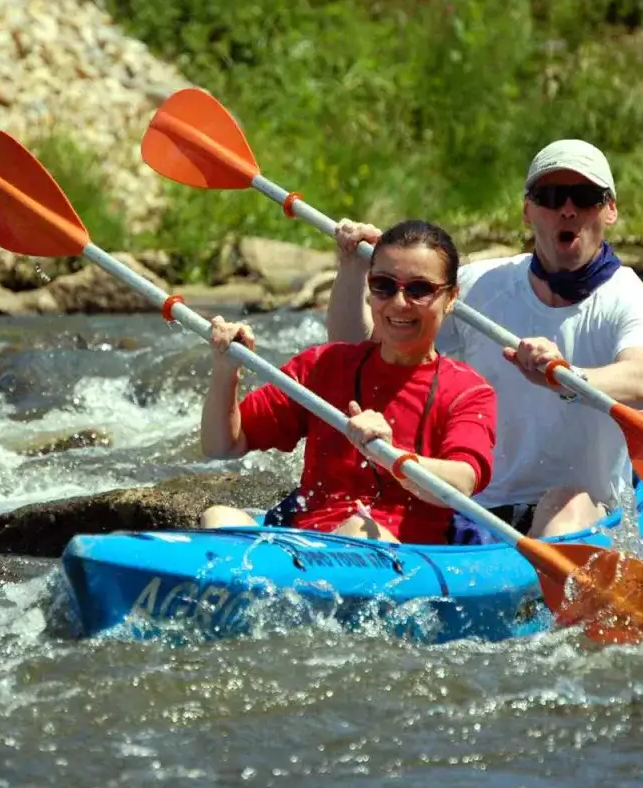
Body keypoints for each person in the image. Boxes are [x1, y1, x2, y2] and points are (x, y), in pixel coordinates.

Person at [326, 140, 643, 539]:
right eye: (551, 196)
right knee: (360, 525)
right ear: (528, 211)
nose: (568, 209)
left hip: (582, 508)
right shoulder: (478, 286)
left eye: (585, 196)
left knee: (565, 501)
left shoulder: (633, 302)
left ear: (610, 209)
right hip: (471, 503)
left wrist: (567, 377)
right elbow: (360, 349)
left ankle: (545, 585)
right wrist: (353, 269)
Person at [198, 219, 498, 545]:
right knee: (218, 517)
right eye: (384, 285)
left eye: (419, 289)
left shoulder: (468, 391)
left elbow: (464, 481)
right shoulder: (324, 365)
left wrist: (392, 456)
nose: (399, 303)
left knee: (359, 530)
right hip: (303, 545)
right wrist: (226, 371)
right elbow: (221, 445)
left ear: (450, 298)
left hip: (397, 552)